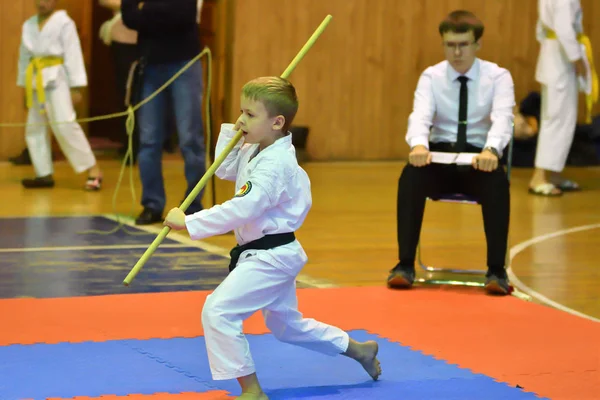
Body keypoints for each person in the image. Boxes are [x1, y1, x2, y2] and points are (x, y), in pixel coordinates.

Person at [164, 77, 382, 399]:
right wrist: (235, 131)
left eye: (250, 115)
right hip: (267, 252)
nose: (241, 120)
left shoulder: (276, 164)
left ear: (277, 122)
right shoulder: (256, 147)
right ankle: (359, 350)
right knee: (287, 327)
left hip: (271, 256)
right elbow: (224, 170)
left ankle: (252, 390)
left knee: (218, 311)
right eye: (241, 111)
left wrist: (189, 222)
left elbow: (243, 208)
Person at [388, 10, 515, 295]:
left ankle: (496, 271)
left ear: (477, 44)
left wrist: (492, 149)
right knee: (410, 178)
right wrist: (419, 145)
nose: (456, 52)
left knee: (498, 185)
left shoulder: (498, 77)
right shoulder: (431, 76)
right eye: (450, 45)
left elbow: (503, 118)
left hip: (479, 158)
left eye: (464, 45)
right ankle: (404, 265)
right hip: (439, 157)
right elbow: (420, 116)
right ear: (443, 43)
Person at [121, 0, 206, 225]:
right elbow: (129, 17)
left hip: (185, 62)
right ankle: (152, 204)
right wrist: (159, 11)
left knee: (190, 138)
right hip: (149, 65)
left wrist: (146, 10)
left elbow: (185, 14)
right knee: (148, 140)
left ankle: (193, 205)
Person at [17, 0, 103, 190]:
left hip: (57, 79)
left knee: (65, 124)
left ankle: (93, 169)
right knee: (34, 127)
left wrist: (76, 86)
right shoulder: (29, 25)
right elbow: (24, 58)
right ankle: (43, 173)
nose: (42, 3)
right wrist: (24, 87)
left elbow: (73, 53)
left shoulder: (64, 22)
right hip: (35, 79)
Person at [528, 0, 596, 196]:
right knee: (557, 121)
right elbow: (565, 30)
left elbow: (541, 29)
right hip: (562, 61)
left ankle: (553, 173)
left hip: (553, 55)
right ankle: (539, 177)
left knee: (560, 120)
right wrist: (576, 59)